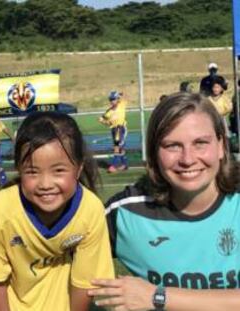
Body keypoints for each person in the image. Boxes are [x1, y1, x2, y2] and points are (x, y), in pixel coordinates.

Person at [88, 92, 240, 311]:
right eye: (172, 146)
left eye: (200, 143)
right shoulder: (126, 213)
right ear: (153, 153)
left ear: (221, 146)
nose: (187, 159)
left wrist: (157, 297)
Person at [0, 111, 115, 311]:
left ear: (79, 168)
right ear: (18, 169)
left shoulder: (90, 210)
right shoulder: (1, 208)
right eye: (32, 171)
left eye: (58, 171)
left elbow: (85, 282)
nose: (45, 184)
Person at [98, 90, 128, 173]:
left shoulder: (121, 105)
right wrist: (106, 122)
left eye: (113, 99)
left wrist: (120, 94)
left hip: (121, 129)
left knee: (117, 147)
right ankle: (124, 165)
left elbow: (124, 96)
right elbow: (101, 119)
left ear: (117, 99)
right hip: (114, 130)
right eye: (110, 100)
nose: (112, 101)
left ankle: (113, 166)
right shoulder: (109, 111)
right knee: (120, 148)